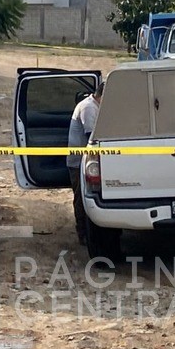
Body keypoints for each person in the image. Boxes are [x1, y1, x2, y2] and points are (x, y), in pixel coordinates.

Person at [66, 81, 103, 243]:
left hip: (86, 160)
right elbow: (92, 137)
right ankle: (83, 233)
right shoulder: (88, 108)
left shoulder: (94, 106)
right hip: (79, 162)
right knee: (81, 197)